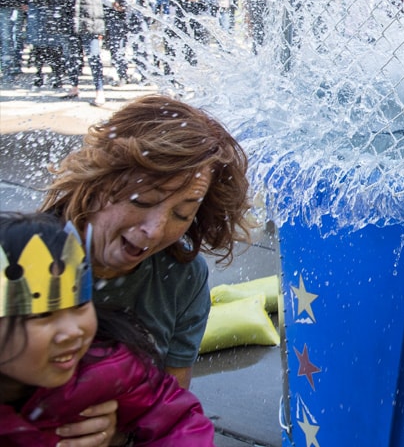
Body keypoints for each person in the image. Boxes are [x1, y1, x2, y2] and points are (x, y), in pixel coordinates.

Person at [41, 93, 253, 389]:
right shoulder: (25, 254)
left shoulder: (182, 278)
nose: (154, 230)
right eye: (143, 200)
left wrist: (120, 432)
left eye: (182, 214)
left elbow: (170, 408)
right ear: (99, 180)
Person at [0, 211, 216, 445]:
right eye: (42, 314)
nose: (73, 331)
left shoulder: (109, 369)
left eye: (80, 304)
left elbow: (179, 424)